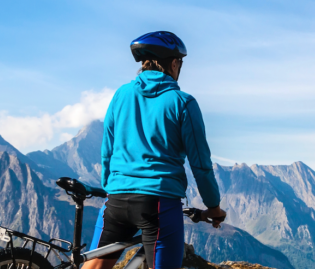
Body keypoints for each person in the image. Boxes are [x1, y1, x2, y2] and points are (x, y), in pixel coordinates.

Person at [83, 31, 226, 269]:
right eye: (180, 62)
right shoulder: (183, 102)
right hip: (158, 203)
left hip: (116, 199)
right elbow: (200, 164)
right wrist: (213, 207)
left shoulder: (121, 95)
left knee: (93, 265)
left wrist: (112, 186)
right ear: (173, 63)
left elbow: (107, 149)